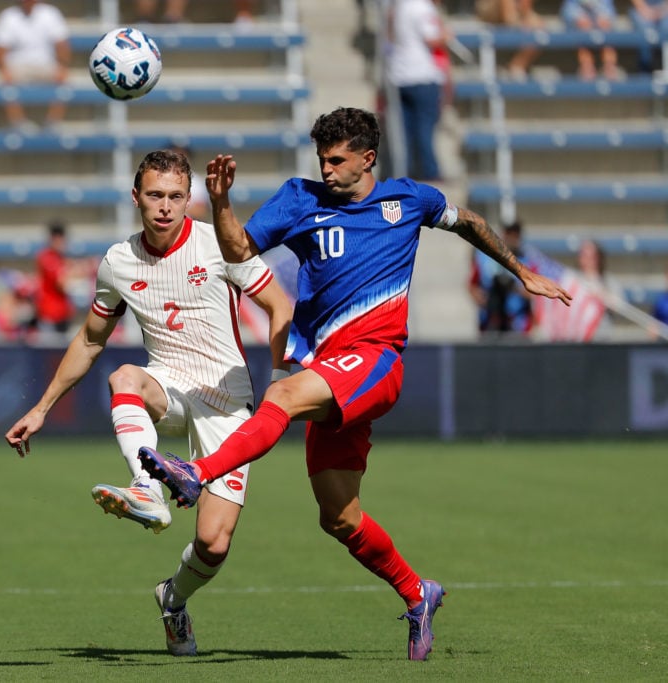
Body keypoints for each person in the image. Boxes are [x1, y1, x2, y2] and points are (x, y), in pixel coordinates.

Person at [139, 107, 573, 661]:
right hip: (328, 368)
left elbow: (467, 221)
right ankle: (419, 593)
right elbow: (239, 253)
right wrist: (221, 204)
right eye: (321, 158)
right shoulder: (300, 198)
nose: (326, 168)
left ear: (368, 158)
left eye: (337, 159)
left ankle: (195, 472)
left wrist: (521, 271)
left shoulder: (407, 199)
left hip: (376, 363)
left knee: (281, 396)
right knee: (339, 517)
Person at [5, 149, 293, 656]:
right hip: (169, 388)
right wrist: (42, 407)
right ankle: (147, 488)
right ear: (136, 197)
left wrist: (281, 381)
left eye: (176, 197)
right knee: (124, 376)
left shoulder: (217, 243)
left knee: (214, 543)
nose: (165, 207)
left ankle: (173, 599)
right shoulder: (118, 261)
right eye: (155, 195)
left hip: (229, 405)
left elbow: (278, 306)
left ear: (189, 200)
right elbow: (93, 338)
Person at [386, 0, 447, 181]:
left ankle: (406, 172)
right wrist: (446, 35)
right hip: (421, 74)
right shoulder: (422, 7)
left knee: (405, 130)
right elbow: (432, 39)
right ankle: (430, 171)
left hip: (399, 75)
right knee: (425, 127)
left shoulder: (398, 7)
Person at [0, 0, 71, 130]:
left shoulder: (50, 13)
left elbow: (62, 44)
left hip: (46, 64)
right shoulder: (8, 16)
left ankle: (53, 122)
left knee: (63, 79)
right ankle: (18, 123)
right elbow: (0, 49)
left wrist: (63, 66)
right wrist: (4, 70)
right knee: (6, 80)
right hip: (18, 65)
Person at [468, 221, 536, 337]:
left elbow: (535, 293)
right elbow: (472, 286)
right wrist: (485, 300)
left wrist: (514, 288)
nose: (512, 239)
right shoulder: (484, 259)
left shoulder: (527, 262)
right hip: (490, 323)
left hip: (517, 324)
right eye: (509, 234)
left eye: (515, 235)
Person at [475, 0, 545, 79]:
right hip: (490, 7)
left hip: (517, 14)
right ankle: (517, 67)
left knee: (537, 26)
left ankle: (518, 65)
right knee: (530, 25)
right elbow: (509, 19)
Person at [34, 221, 76, 343]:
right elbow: (61, 284)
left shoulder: (61, 258)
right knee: (49, 353)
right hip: (49, 315)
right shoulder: (47, 258)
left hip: (62, 314)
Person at [560, 0, 619, 80]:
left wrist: (602, 15)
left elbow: (607, 7)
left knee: (605, 25)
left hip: (602, 5)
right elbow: (571, 7)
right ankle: (587, 67)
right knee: (583, 25)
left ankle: (609, 66)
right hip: (575, 6)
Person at [629, 0, 667, 73]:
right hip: (641, 9)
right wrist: (645, 10)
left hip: (664, 9)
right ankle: (645, 73)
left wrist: (662, 10)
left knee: (666, 26)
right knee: (644, 30)